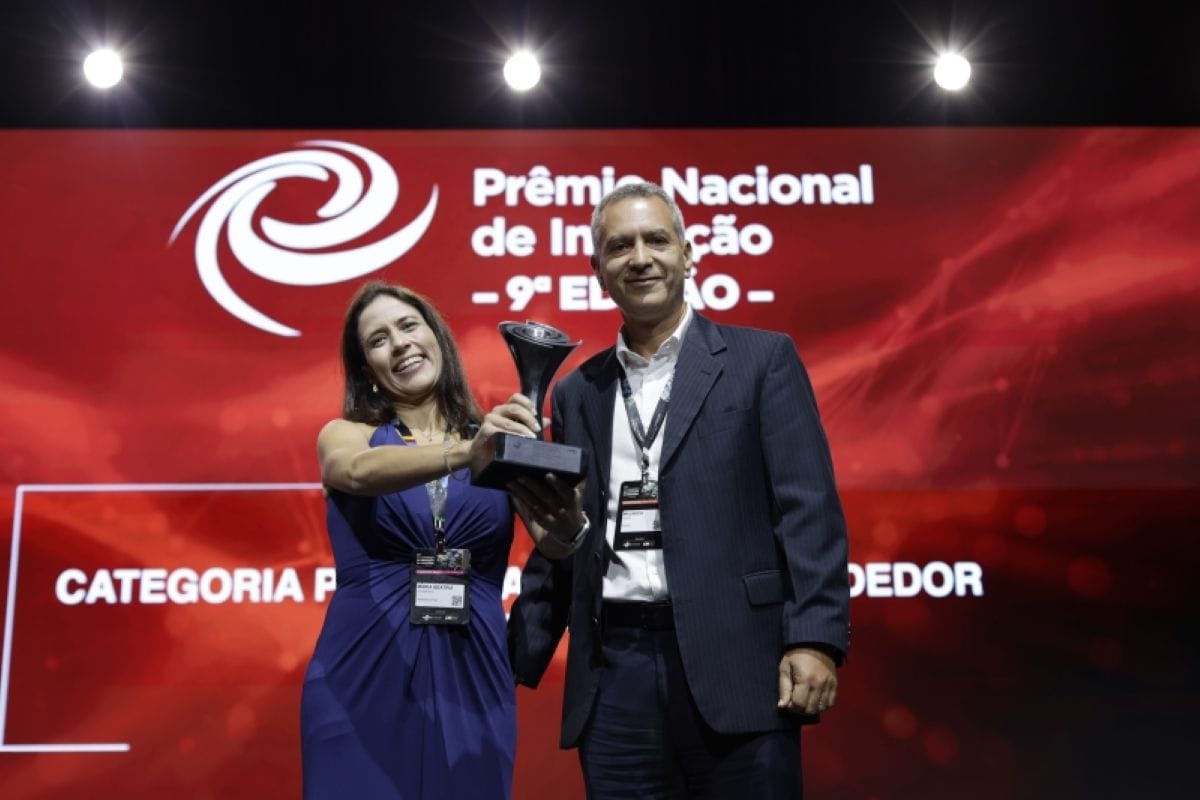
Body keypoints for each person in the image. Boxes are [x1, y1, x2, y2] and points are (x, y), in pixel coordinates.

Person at [507, 182, 851, 799]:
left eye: (656, 241)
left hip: (739, 661)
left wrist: (815, 637)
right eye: (620, 247)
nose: (640, 258)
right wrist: (514, 650)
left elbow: (809, 509)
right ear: (597, 269)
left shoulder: (761, 360)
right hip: (615, 672)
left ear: (687, 255)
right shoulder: (577, 391)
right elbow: (567, 529)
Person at [300, 281, 579, 800]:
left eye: (408, 326)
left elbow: (556, 542)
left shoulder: (495, 443)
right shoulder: (348, 434)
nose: (399, 343)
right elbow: (353, 471)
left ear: (437, 338)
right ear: (367, 370)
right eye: (378, 339)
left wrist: (569, 511)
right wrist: (466, 453)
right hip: (363, 668)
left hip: (473, 672)